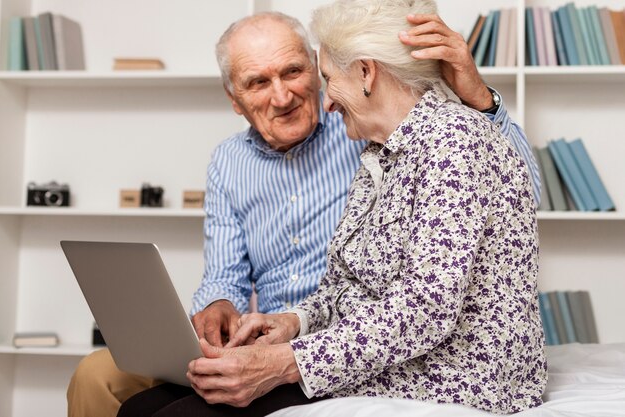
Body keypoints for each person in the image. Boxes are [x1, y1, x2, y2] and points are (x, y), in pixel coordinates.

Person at [68, 8, 542, 417]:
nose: (285, 97)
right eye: (258, 82)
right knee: (122, 395)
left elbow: (511, 195)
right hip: (304, 335)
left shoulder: (381, 134)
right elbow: (323, 285)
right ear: (235, 101)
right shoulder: (372, 149)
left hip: (357, 351)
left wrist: (480, 100)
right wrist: (262, 318)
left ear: (362, 73)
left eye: (300, 73)